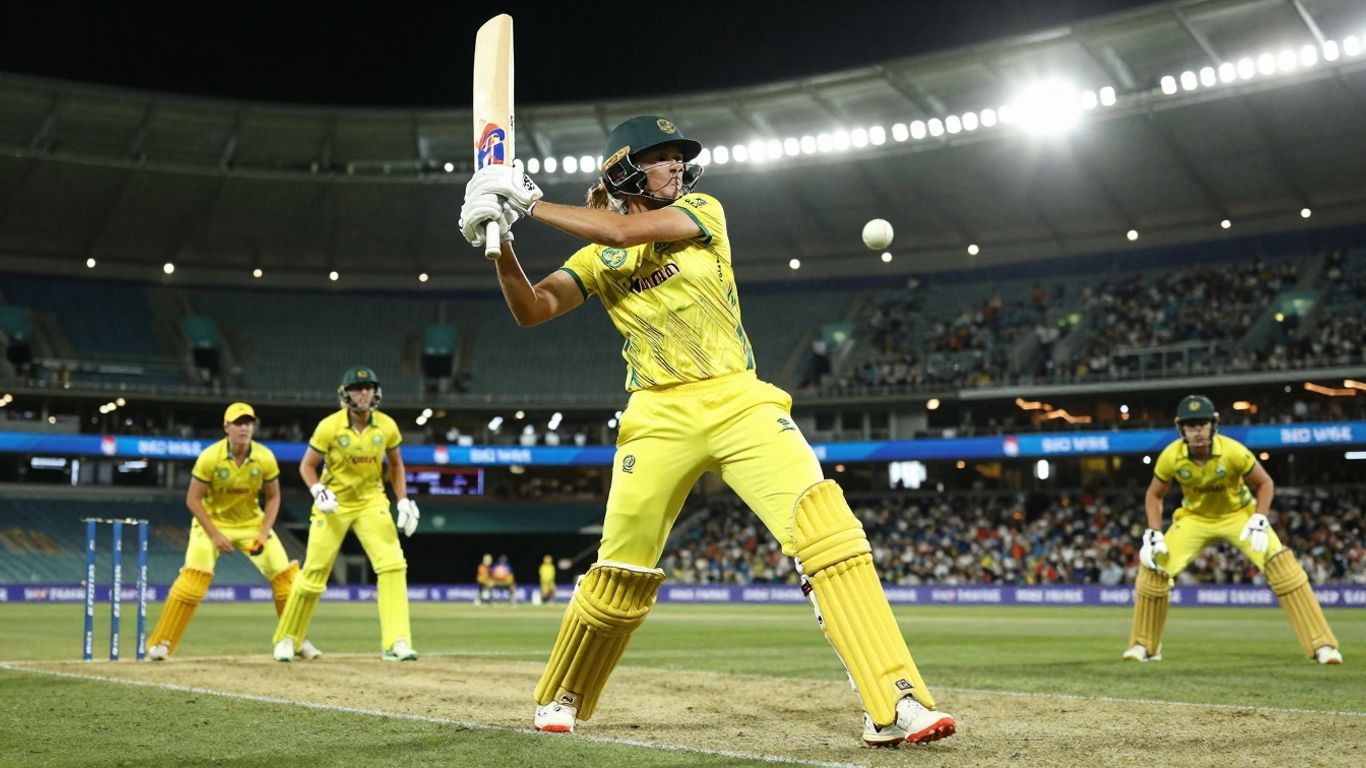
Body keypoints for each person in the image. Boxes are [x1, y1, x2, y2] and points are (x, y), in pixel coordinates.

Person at [458, 115, 954, 746]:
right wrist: (501, 241)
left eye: (678, 156)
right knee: (621, 568)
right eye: (661, 157)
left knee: (828, 531)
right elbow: (533, 309)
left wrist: (529, 202)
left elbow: (621, 228)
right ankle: (565, 693)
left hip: (739, 400)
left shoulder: (702, 211)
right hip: (656, 417)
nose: (676, 166)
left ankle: (895, 701)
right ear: (623, 170)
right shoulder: (595, 259)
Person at [1124, 395, 1343, 665]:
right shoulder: (1171, 455)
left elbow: (1265, 483)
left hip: (1239, 516)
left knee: (1283, 567)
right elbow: (1154, 494)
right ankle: (1144, 646)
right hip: (1194, 518)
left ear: (1213, 424)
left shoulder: (1233, 451)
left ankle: (1323, 645)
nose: (1197, 431)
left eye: (1202, 424)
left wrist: (1260, 518)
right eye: (1191, 425)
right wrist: (1153, 531)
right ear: (1181, 427)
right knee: (1153, 570)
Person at [147, 402, 320, 661]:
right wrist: (215, 535)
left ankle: (297, 640)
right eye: (238, 423)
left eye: (248, 423)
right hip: (211, 525)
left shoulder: (264, 457)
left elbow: (273, 498)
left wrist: (263, 532)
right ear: (226, 427)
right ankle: (162, 643)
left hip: (252, 525)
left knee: (287, 580)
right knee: (192, 582)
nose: (244, 428)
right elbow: (193, 499)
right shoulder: (210, 457)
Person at [271, 367, 422, 662]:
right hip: (333, 503)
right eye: (356, 388)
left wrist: (403, 500)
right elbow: (306, 466)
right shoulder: (329, 426)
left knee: (393, 565)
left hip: (371, 501)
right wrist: (318, 490)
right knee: (314, 572)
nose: (363, 393)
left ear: (375, 392)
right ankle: (288, 638)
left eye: (368, 387)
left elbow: (396, 465)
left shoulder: (387, 426)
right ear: (345, 394)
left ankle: (397, 641)